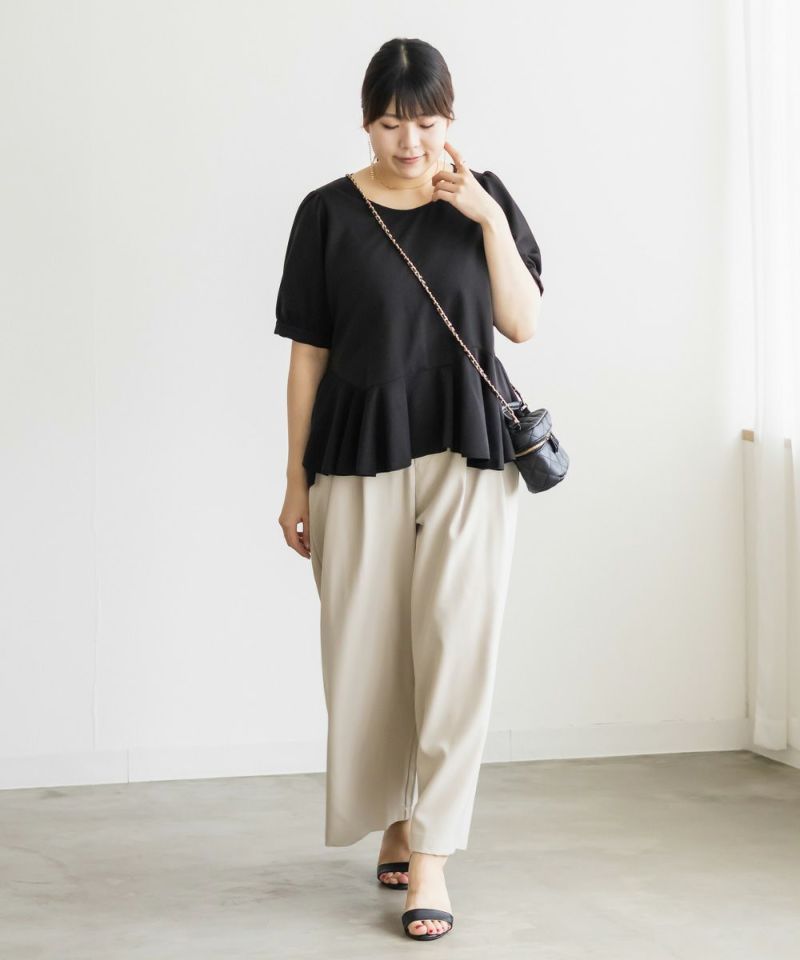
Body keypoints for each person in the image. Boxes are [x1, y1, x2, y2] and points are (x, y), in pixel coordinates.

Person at [275, 37, 543, 943]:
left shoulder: (484, 200)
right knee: (366, 653)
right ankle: (394, 814)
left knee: (457, 648)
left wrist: (487, 218)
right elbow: (307, 357)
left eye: (426, 123)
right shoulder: (326, 213)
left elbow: (522, 324)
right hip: (355, 457)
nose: (410, 143)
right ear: (366, 123)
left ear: (450, 120)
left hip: (470, 455)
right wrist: (294, 480)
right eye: (392, 125)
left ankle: (432, 851)